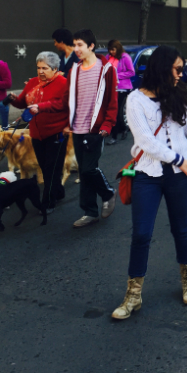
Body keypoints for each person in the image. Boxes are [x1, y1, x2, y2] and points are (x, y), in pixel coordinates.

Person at [112, 46, 187, 320]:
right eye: (178, 69)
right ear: (161, 68)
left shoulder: (178, 92)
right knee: (141, 234)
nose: (182, 74)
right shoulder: (135, 100)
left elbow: (182, 128)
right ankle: (133, 294)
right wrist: (179, 159)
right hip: (148, 175)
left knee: (181, 228)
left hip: (180, 177)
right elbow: (146, 141)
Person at [64, 29, 119, 228]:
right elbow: (68, 100)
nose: (76, 49)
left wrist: (107, 125)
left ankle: (108, 193)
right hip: (77, 128)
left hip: (96, 129)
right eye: (74, 45)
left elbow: (112, 102)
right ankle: (90, 211)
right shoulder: (74, 70)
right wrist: (65, 122)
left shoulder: (106, 70)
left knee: (89, 169)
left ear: (91, 46)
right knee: (84, 172)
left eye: (80, 45)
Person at [6, 51, 68, 211]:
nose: (40, 71)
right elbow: (22, 102)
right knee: (46, 167)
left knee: (51, 169)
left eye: (45, 68)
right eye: (38, 68)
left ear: (54, 69)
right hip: (36, 134)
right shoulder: (33, 82)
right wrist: (13, 99)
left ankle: (48, 202)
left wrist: (40, 107)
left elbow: (60, 104)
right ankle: (58, 191)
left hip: (56, 132)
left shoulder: (63, 83)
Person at [105, 40, 136, 144]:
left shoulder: (125, 57)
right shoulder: (108, 57)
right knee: (111, 111)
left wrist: (116, 75)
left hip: (122, 88)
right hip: (110, 88)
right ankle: (123, 129)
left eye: (113, 49)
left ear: (117, 49)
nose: (111, 52)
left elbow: (131, 72)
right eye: (110, 50)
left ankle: (114, 136)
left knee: (116, 111)